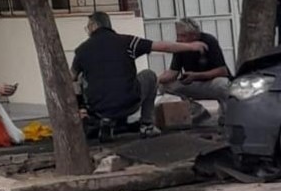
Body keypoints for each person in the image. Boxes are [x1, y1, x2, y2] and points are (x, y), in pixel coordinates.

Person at [71, 12, 210, 141]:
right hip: (129, 103)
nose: (88, 30)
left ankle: (106, 121)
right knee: (149, 75)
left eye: (88, 27)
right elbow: (163, 47)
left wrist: (81, 107)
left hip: (97, 109)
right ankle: (147, 126)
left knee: (80, 79)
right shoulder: (127, 42)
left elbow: (71, 77)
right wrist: (191, 47)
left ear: (94, 26)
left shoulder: (81, 50)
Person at [159, 18, 231, 123]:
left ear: (194, 36)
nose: (179, 39)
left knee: (222, 84)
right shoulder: (179, 46)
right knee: (165, 86)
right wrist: (157, 79)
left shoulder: (209, 41)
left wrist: (196, 75)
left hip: (210, 83)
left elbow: (222, 71)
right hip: (192, 84)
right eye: (178, 35)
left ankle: (227, 115)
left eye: (182, 36)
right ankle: (197, 110)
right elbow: (173, 73)